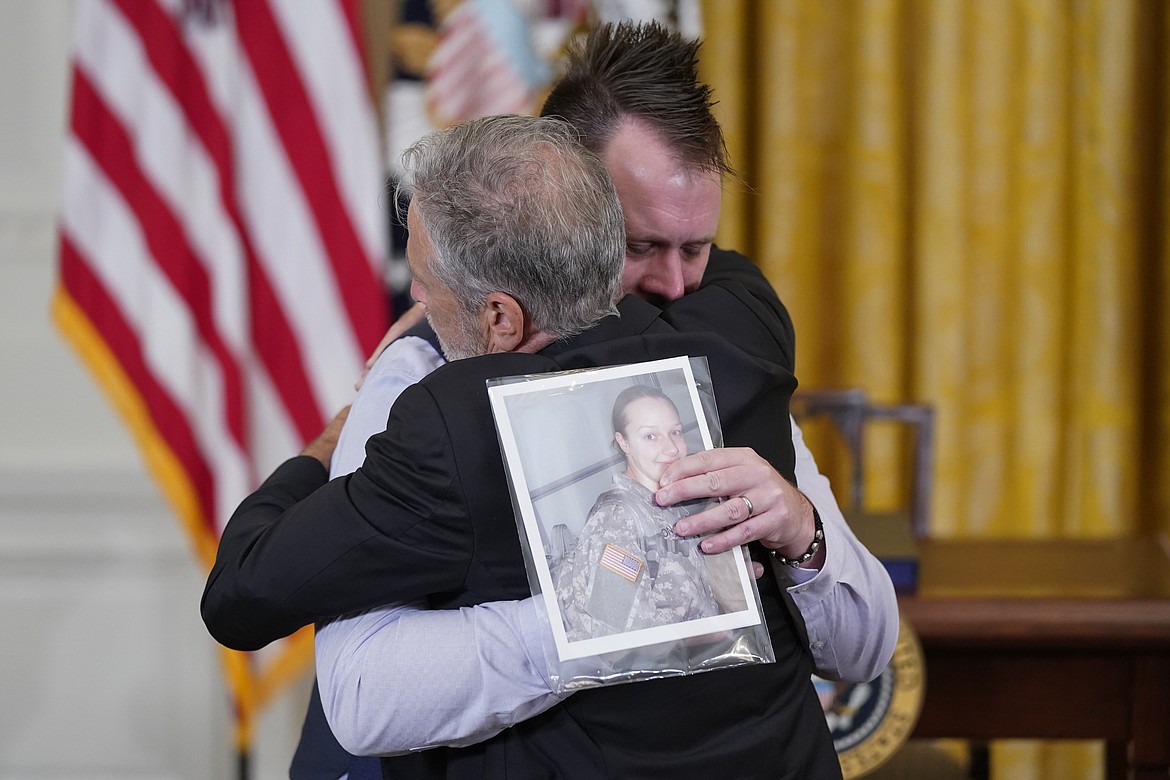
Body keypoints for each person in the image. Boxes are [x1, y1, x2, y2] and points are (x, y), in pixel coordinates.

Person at [300, 19, 898, 770]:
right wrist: (600, 621)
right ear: (561, 208)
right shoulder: (422, 373)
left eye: (697, 248)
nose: (678, 285)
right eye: (642, 247)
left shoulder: (720, 356)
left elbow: (866, 647)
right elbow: (361, 696)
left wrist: (804, 535)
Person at [202, 112, 843, 778]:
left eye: (426, 285)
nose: (418, 302)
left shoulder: (454, 426)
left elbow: (242, 596)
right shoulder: (741, 348)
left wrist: (326, 446)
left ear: (501, 318)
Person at [554, 384, 737, 640]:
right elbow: (617, 633)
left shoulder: (673, 507)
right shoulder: (617, 517)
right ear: (623, 442)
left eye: (675, 432)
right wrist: (711, 633)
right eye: (650, 436)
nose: (672, 448)